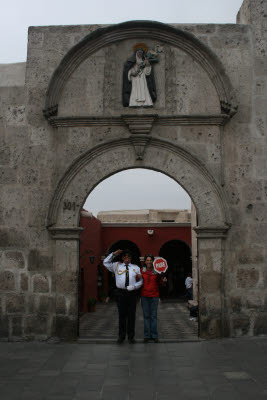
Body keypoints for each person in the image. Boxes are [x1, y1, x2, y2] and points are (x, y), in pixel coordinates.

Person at [103, 249, 143, 344]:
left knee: (131, 316)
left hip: (131, 293)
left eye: (128, 257)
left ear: (131, 258)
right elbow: (105, 262)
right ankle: (121, 336)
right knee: (122, 315)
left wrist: (134, 286)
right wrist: (113, 254)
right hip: (121, 293)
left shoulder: (136, 267)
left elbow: (141, 280)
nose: (126, 259)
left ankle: (131, 337)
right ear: (122, 258)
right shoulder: (116, 265)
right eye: (125, 257)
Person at [139, 254, 167, 343]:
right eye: (147, 260)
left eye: (150, 260)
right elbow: (137, 281)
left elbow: (160, 283)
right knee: (146, 316)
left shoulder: (157, 272)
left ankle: (154, 335)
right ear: (145, 262)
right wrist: (137, 277)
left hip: (154, 296)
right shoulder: (141, 271)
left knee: (153, 316)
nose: (149, 262)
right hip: (144, 296)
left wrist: (164, 281)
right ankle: (147, 335)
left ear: (153, 261)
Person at [122, 43, 157, 107]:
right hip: (135, 79)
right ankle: (134, 103)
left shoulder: (145, 61)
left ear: (143, 53)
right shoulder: (131, 61)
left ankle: (146, 103)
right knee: (135, 90)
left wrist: (148, 65)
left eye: (141, 53)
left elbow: (147, 73)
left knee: (144, 90)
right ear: (136, 53)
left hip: (143, 78)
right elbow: (128, 71)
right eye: (138, 52)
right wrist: (131, 73)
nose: (140, 54)